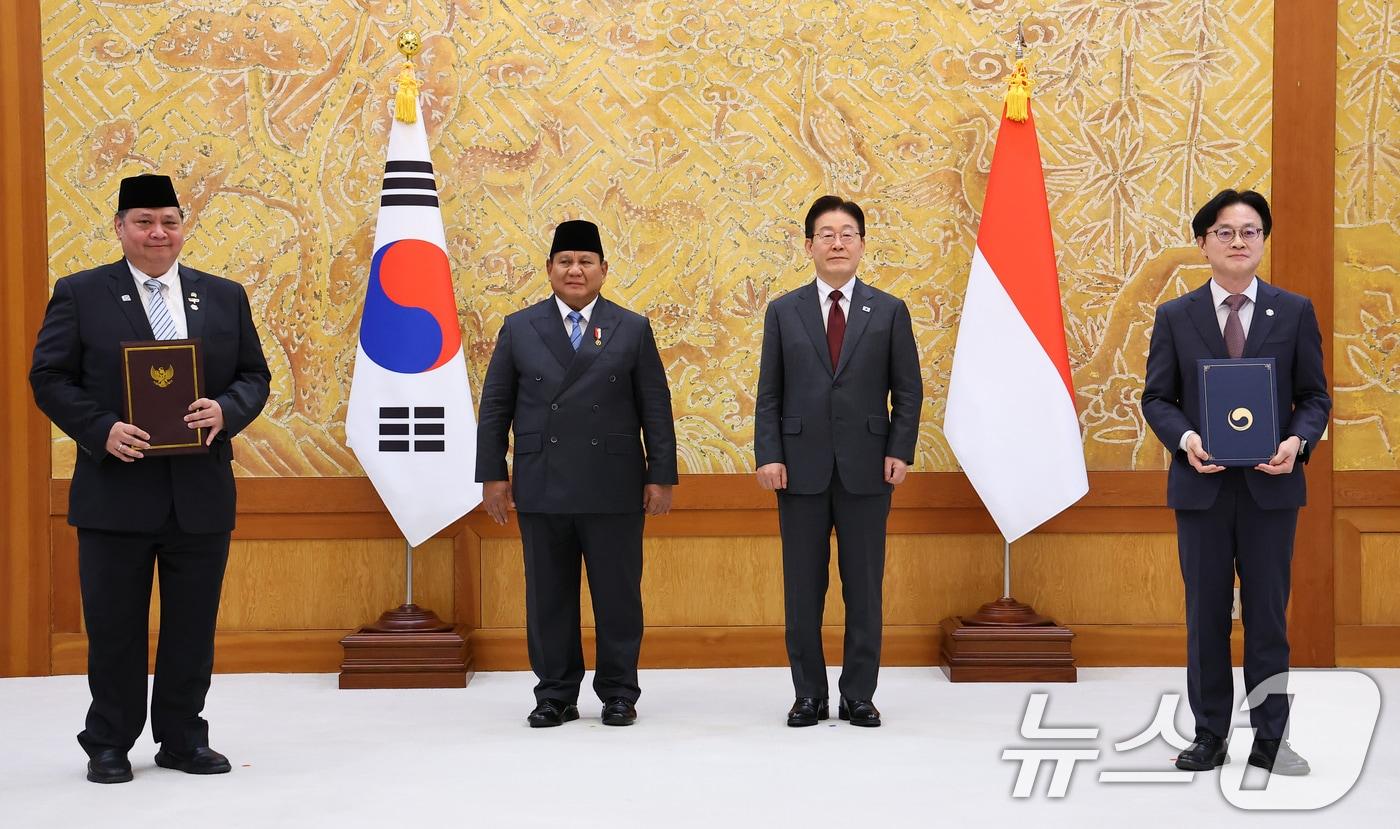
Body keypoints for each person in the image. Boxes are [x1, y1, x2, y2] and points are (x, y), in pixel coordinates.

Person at [30, 173, 271, 783]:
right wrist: (101, 429)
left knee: (192, 628)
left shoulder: (223, 296)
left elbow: (254, 375)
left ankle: (183, 739)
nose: (158, 233)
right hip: (115, 491)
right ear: (119, 228)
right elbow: (49, 377)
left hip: (200, 493)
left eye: (169, 221)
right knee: (115, 629)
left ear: (182, 227)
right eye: (143, 221)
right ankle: (109, 742)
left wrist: (227, 411)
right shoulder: (81, 294)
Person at [1142, 188, 1330, 776]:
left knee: (1268, 618)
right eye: (1225, 232)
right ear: (1204, 244)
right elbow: (1157, 398)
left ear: (1263, 241)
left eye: (1250, 231)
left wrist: (1297, 443)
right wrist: (1187, 440)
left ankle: (1272, 741)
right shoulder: (1176, 316)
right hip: (1202, 488)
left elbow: (1315, 397)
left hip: (1272, 489)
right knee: (1206, 617)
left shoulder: (1293, 311)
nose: (1238, 241)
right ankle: (1209, 736)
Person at [476, 219, 677, 728]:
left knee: (618, 596)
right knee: (548, 596)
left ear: (604, 270)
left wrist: (660, 475)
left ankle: (619, 692)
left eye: (586, 261)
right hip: (541, 479)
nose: (575, 270)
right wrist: (492, 474)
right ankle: (555, 694)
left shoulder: (631, 327)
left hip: (614, 482)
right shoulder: (519, 327)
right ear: (549, 269)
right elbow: (495, 406)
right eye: (565, 261)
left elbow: (655, 407)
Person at [754, 195, 922, 728]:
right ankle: (808, 695)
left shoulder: (888, 310)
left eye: (848, 234)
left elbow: (908, 391)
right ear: (809, 246)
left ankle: (858, 695)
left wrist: (899, 449)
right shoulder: (784, 311)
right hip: (798, 470)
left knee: (864, 588)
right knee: (803, 591)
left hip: (868, 468)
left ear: (862, 245)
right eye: (826, 234)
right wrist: (769, 454)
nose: (837, 243)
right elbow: (769, 393)